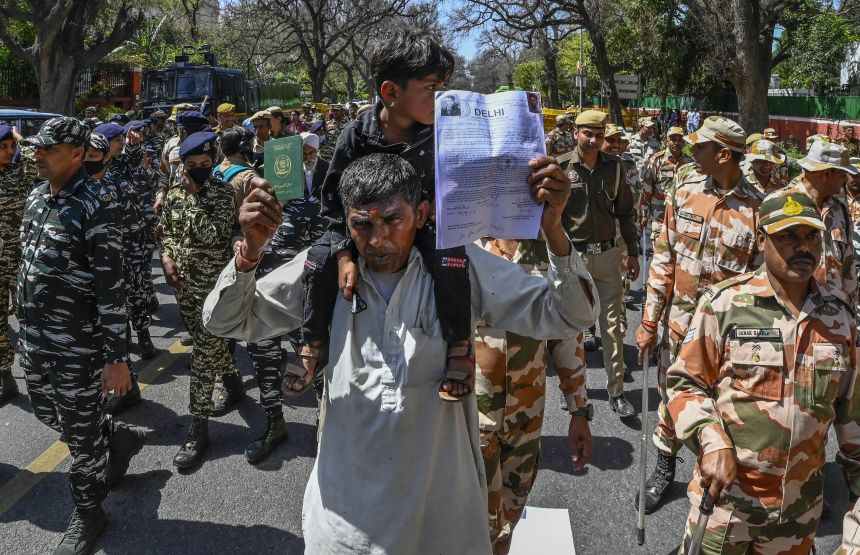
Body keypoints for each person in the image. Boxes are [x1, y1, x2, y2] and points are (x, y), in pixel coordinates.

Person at [203, 151, 597, 554]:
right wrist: (249, 254)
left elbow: (570, 316)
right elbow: (224, 322)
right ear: (346, 220)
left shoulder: (461, 270)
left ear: (422, 212)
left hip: (442, 524)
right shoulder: (323, 274)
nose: (378, 240)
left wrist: (554, 231)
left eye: (393, 220)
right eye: (362, 224)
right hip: (345, 527)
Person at [669, 189, 860, 554]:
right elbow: (684, 382)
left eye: (810, 236)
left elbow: (853, 413)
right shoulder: (724, 304)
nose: (801, 247)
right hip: (728, 506)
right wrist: (712, 441)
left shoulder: (839, 318)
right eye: (787, 236)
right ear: (761, 240)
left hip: (799, 514)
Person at [296, 31, 479, 404]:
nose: (440, 96)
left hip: (425, 227)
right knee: (318, 260)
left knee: (451, 260)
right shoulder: (355, 135)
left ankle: (459, 345)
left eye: (444, 86)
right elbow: (331, 198)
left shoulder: (444, 132)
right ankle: (312, 343)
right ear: (391, 92)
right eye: (431, 87)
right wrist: (345, 252)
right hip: (360, 230)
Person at [18, 117, 147, 554]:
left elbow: (112, 286)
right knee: (47, 412)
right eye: (36, 147)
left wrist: (116, 357)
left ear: (76, 154)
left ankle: (90, 511)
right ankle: (115, 437)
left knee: (79, 434)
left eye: (48, 149)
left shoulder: (96, 203)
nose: (37, 154)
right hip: (35, 338)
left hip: (78, 345)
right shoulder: (37, 197)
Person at [635, 116, 764, 513]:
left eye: (700, 146)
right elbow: (663, 258)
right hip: (680, 325)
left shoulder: (760, 207)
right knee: (672, 399)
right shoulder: (685, 192)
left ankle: (711, 474)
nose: (691, 152)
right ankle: (663, 470)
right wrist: (649, 320)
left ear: (723, 154)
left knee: (724, 407)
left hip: (730, 336)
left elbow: (763, 284)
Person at [475, 238, 596, 555]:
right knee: (474, 523)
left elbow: (567, 335)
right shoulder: (460, 240)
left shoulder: (549, 247)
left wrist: (579, 411)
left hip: (525, 421)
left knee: (510, 516)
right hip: (469, 424)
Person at [160, 131, 242, 469]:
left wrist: (195, 197)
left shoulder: (222, 193)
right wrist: (166, 258)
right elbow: (167, 232)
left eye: (204, 165)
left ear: (212, 163)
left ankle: (198, 427)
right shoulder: (173, 195)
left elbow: (212, 234)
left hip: (214, 291)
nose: (197, 170)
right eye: (191, 165)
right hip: (185, 289)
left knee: (203, 358)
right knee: (208, 346)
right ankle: (235, 383)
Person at [561, 109, 640, 419]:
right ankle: (573, 391)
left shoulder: (615, 168)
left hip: (608, 257)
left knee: (612, 328)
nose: (594, 140)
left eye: (599, 134)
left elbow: (625, 213)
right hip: (574, 257)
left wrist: (632, 252)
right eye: (588, 134)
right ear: (576, 134)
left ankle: (617, 391)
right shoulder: (561, 167)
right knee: (572, 329)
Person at [785, 140, 857, 303]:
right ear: (826, 174)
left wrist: (849, 306)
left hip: (832, 310)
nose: (846, 180)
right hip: (792, 309)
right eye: (841, 175)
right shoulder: (781, 205)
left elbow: (848, 265)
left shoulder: (839, 211)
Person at [0, 125, 36, 406]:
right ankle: (6, 378)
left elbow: (36, 153)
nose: (10, 151)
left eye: (11, 146)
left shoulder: (20, 172)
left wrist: (20, 138)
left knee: (31, 316)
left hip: (23, 258)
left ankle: (41, 376)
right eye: (4, 147)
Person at [641, 126, 693, 241]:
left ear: (684, 142)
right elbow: (647, 188)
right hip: (660, 215)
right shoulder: (657, 160)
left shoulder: (690, 162)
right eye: (673, 139)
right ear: (667, 141)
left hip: (682, 218)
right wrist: (644, 214)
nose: (676, 143)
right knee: (660, 254)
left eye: (680, 140)